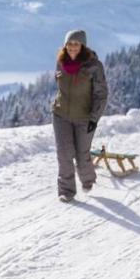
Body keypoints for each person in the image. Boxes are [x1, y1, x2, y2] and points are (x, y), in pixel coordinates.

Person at [52, 29, 108, 202]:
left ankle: (88, 179)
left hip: (84, 117)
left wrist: (94, 118)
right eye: (69, 43)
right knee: (64, 154)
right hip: (61, 115)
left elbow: (101, 94)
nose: (72, 47)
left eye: (76, 44)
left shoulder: (94, 66)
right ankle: (66, 191)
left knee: (81, 154)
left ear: (82, 45)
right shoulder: (61, 62)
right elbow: (59, 83)